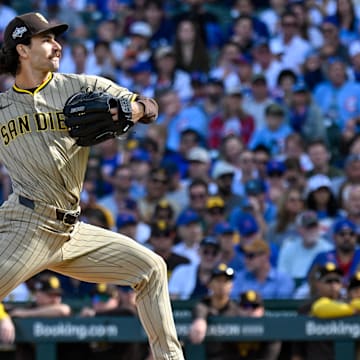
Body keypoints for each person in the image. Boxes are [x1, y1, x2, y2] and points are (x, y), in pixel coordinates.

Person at [0, 12, 184, 360]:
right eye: (46, 40)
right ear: (23, 50)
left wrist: (133, 109)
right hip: (25, 225)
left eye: (57, 39)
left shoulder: (79, 85)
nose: (57, 46)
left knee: (152, 269)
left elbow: (151, 105)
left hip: (71, 231)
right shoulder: (2, 108)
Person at [188, 262, 240, 359]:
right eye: (218, 280)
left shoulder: (236, 309)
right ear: (209, 284)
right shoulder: (202, 305)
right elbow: (200, 308)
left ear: (231, 285)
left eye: (226, 281)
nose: (222, 285)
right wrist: (200, 320)